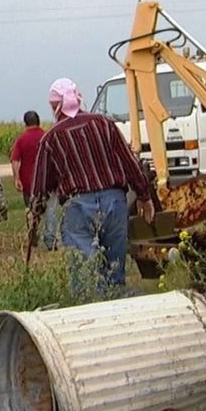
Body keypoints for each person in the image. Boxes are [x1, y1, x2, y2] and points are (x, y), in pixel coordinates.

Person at [30, 78, 158, 296]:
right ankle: (116, 302)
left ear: (53, 106)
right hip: (114, 201)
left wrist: (35, 213)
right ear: (79, 98)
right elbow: (129, 162)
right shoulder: (103, 123)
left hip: (78, 205)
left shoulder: (51, 138)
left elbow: (42, 184)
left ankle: (92, 305)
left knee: (85, 270)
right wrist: (145, 197)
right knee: (114, 267)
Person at [9, 110, 58, 249]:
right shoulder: (47, 136)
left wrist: (17, 178)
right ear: (39, 121)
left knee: (32, 211)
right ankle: (50, 241)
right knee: (51, 211)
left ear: (25, 123)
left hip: (29, 183)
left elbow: (15, 160)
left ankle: (33, 237)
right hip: (49, 182)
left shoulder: (21, 140)